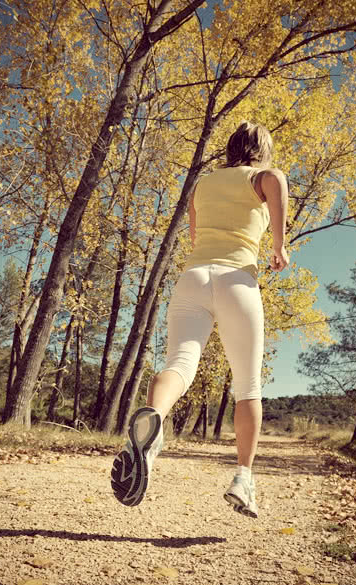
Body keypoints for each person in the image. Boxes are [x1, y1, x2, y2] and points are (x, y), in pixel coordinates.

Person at [110, 121, 289, 518]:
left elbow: (194, 235)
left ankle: (153, 424)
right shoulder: (264, 177)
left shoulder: (202, 186)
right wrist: (278, 245)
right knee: (248, 386)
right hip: (238, 280)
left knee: (179, 363)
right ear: (262, 149)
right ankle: (243, 478)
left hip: (193, 278)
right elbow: (276, 182)